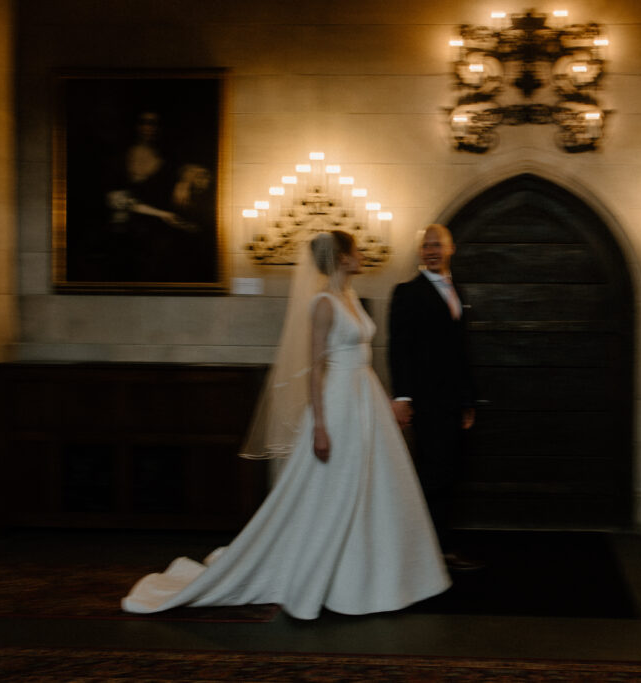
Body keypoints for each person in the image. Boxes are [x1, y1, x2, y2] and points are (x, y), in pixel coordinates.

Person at [122, 230, 450, 619]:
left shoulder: (348, 297)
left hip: (366, 398)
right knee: (335, 486)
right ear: (342, 258)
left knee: (372, 484)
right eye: (356, 251)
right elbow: (315, 369)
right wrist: (320, 426)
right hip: (340, 402)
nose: (362, 255)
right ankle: (322, 573)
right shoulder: (325, 303)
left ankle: (374, 573)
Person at [389, 224, 478, 571]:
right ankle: (429, 552)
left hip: (454, 403)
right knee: (432, 475)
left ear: (451, 248)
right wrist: (402, 397)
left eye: (436, 245)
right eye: (425, 246)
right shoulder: (406, 292)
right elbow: (400, 348)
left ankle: (440, 547)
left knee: (449, 474)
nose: (431, 251)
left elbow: (461, 351)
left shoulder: (458, 289)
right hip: (425, 402)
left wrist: (468, 401)